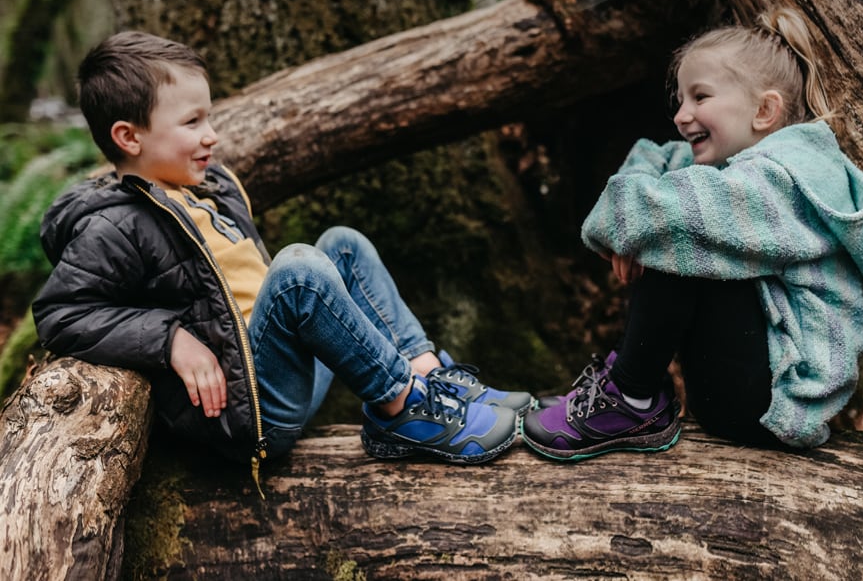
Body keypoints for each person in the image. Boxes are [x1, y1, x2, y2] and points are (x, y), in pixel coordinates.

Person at [33, 31, 533, 488]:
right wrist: (169, 340)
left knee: (342, 245)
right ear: (128, 137)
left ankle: (427, 380)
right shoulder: (113, 224)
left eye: (209, 117)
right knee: (298, 272)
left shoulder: (210, 190)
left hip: (283, 371)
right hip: (250, 413)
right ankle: (402, 408)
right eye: (192, 122)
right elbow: (60, 314)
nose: (212, 136)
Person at [521, 8, 863, 460]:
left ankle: (631, 397)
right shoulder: (732, 171)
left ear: (765, 110)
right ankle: (630, 392)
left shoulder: (785, 180)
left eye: (700, 97)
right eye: (681, 100)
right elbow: (651, 156)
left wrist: (632, 229)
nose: (680, 115)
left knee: (684, 228)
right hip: (742, 389)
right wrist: (627, 233)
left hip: (775, 404)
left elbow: (669, 214)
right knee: (680, 217)